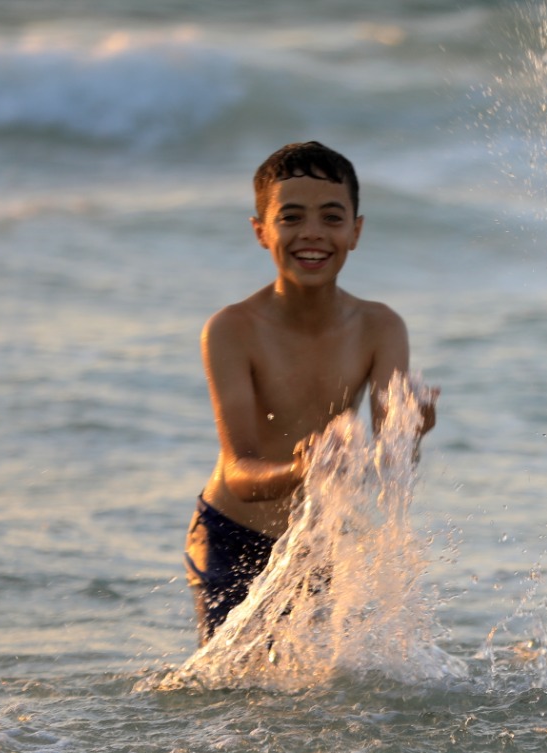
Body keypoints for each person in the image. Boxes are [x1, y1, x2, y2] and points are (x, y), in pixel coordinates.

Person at [184, 141, 437, 642]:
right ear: (261, 231)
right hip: (231, 535)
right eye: (291, 217)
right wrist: (303, 469)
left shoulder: (381, 328)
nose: (313, 234)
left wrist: (415, 430)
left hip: (316, 539)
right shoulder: (232, 330)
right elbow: (240, 473)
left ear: (356, 231)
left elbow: (392, 466)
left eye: (331, 217)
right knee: (235, 698)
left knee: (320, 707)